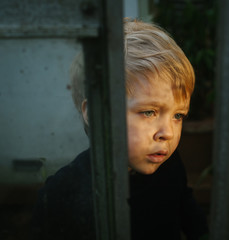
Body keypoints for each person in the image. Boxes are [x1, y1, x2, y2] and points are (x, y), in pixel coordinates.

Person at [31, 19, 208, 240]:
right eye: (149, 112)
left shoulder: (170, 166)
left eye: (178, 115)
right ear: (96, 113)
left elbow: (186, 208)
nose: (168, 133)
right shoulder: (61, 193)